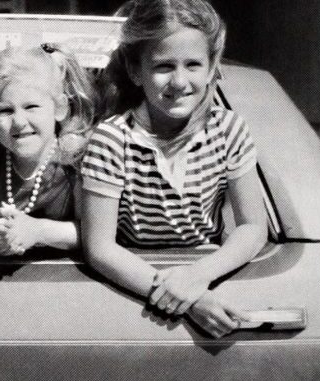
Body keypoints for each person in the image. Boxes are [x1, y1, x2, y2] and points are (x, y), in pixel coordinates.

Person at [81, 0, 267, 338]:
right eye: (164, 66)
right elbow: (100, 248)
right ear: (136, 71)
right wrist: (187, 298)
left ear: (212, 68)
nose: (179, 81)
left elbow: (253, 226)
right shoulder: (111, 140)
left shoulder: (228, 130)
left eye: (193, 64)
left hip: (210, 276)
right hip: (133, 293)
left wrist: (196, 277)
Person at [0, 44, 96, 256]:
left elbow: (92, 233)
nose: (19, 121)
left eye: (31, 107)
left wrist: (37, 231)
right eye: (5, 110)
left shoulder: (75, 160)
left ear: (60, 109)